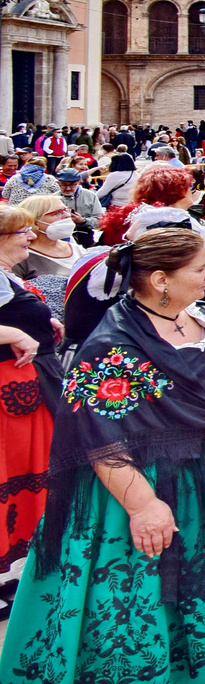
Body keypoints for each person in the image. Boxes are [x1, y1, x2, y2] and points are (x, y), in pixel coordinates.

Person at [0, 228, 205, 684]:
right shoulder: (112, 345)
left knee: (204, 569)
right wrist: (142, 505)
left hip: (203, 470)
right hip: (138, 479)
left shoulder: (192, 317)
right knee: (139, 582)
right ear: (159, 280)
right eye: (198, 270)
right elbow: (97, 435)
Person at [0, 206, 59, 593]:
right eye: (22, 231)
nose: (30, 237)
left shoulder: (7, 275)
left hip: (24, 387)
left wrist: (41, 322)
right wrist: (12, 334)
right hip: (10, 391)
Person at [11, 195, 87, 316]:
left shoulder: (77, 249)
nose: (67, 215)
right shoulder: (21, 257)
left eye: (65, 210)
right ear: (34, 221)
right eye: (56, 213)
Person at [54, 167, 101, 248]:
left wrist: (82, 221)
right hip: (59, 240)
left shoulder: (90, 196)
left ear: (79, 182)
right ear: (58, 183)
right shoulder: (52, 198)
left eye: (72, 185)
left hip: (84, 239)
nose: (68, 188)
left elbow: (100, 221)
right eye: (64, 185)